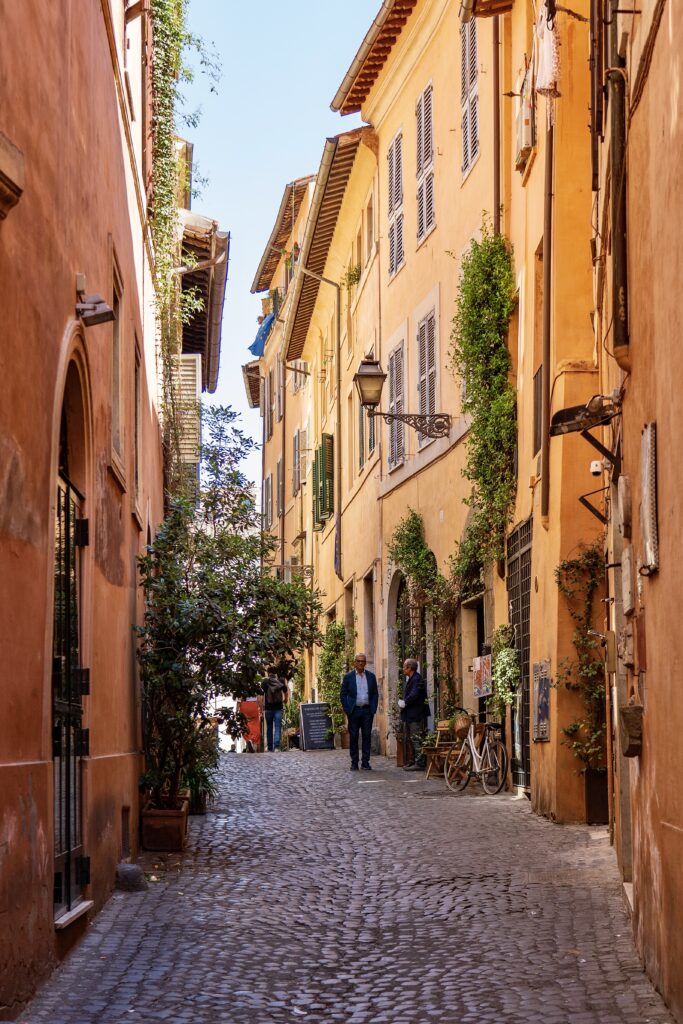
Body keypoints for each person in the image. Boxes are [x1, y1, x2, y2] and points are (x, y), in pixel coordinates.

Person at [340, 653, 379, 771]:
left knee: (367, 736)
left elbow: (375, 694)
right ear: (355, 663)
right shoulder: (349, 677)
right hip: (354, 711)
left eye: (363, 661)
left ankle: (365, 762)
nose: (361, 663)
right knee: (354, 736)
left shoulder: (371, 677)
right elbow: (343, 694)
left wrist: (373, 708)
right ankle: (354, 762)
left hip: (367, 711)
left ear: (365, 663)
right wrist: (347, 709)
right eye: (358, 661)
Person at [399, 658, 430, 771]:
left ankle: (420, 762)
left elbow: (414, 694)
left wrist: (404, 702)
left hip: (415, 714)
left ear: (409, 668)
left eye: (404, 667)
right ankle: (413, 760)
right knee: (411, 738)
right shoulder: (412, 678)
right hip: (410, 714)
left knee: (415, 737)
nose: (403, 669)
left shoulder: (417, 679)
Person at [260, 667, 289, 752]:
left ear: (268, 673)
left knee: (269, 728)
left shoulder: (265, 682)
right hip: (278, 707)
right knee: (277, 727)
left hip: (268, 708)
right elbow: (285, 692)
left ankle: (269, 748)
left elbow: (262, 694)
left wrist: (261, 707)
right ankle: (276, 747)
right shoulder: (281, 680)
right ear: (276, 673)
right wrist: (285, 700)